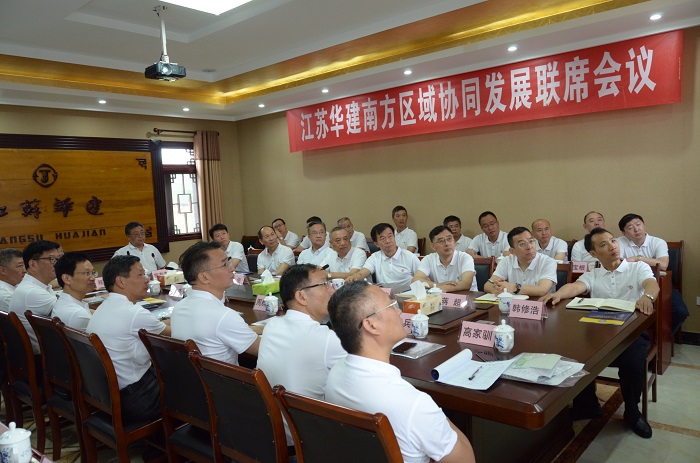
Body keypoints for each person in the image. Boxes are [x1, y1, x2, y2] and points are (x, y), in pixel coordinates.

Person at [325, 281, 475, 463]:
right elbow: (466, 459)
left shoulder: (334, 374)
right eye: (391, 306)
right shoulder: (414, 405)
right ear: (371, 325)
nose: (399, 312)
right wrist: (437, 415)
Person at [540, 228, 658, 439]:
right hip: (599, 333)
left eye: (613, 241)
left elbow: (651, 284)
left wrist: (647, 297)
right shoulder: (593, 274)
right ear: (593, 254)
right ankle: (587, 406)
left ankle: (633, 412)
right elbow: (574, 287)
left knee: (632, 364)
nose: (612, 246)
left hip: (631, 334)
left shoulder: (637, 267)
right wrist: (557, 294)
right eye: (604, 244)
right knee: (575, 353)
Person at [257, 264, 346, 446]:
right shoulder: (326, 340)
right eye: (324, 284)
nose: (332, 290)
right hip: (309, 441)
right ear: (301, 296)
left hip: (271, 433)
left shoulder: (273, 325)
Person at [86, 255, 170, 423]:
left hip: (110, 394)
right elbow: (172, 333)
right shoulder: (134, 313)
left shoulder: (103, 307)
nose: (146, 279)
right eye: (140, 275)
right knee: (193, 382)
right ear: (121, 281)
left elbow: (160, 326)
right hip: (139, 398)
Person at [171, 241, 261, 365]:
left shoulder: (179, 308)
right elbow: (263, 349)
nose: (231, 268)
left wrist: (262, 328)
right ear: (204, 277)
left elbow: (221, 330)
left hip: (194, 376)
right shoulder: (224, 316)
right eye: (224, 264)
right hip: (225, 377)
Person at [617, 213, 687, 335]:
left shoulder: (658, 242)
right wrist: (651, 261)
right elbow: (617, 264)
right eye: (630, 227)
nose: (636, 229)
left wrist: (637, 258)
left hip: (659, 282)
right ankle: (637, 337)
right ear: (624, 233)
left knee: (680, 311)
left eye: (638, 224)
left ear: (644, 226)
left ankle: (661, 337)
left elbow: (663, 265)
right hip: (630, 283)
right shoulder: (618, 243)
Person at [9, 240, 61, 354]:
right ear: (33, 264)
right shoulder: (32, 292)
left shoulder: (36, 286)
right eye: (51, 259)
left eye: (58, 259)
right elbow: (70, 315)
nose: (58, 264)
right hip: (46, 357)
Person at [346, 223, 420, 293]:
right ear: (376, 244)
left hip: (408, 296)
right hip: (385, 296)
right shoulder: (375, 257)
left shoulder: (410, 256)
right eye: (382, 238)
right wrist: (353, 277)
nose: (387, 241)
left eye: (390, 236)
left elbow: (421, 277)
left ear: (394, 237)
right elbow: (362, 273)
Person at [484, 227, 556, 297]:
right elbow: (487, 285)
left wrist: (514, 287)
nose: (529, 247)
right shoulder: (506, 261)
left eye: (531, 241)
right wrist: (497, 289)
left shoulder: (548, 262)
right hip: (514, 304)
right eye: (522, 244)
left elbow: (542, 290)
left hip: (541, 304)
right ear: (512, 251)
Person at [412, 225, 477, 292]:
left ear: (454, 241)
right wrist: (439, 285)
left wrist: (444, 288)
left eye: (449, 239)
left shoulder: (465, 258)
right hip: (440, 297)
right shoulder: (428, 259)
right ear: (433, 246)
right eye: (441, 241)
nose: (447, 243)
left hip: (468, 297)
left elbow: (466, 284)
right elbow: (415, 280)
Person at [53, 252, 95, 330]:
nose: (92, 278)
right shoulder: (78, 315)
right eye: (87, 273)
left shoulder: (64, 302)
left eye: (93, 273)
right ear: (67, 279)